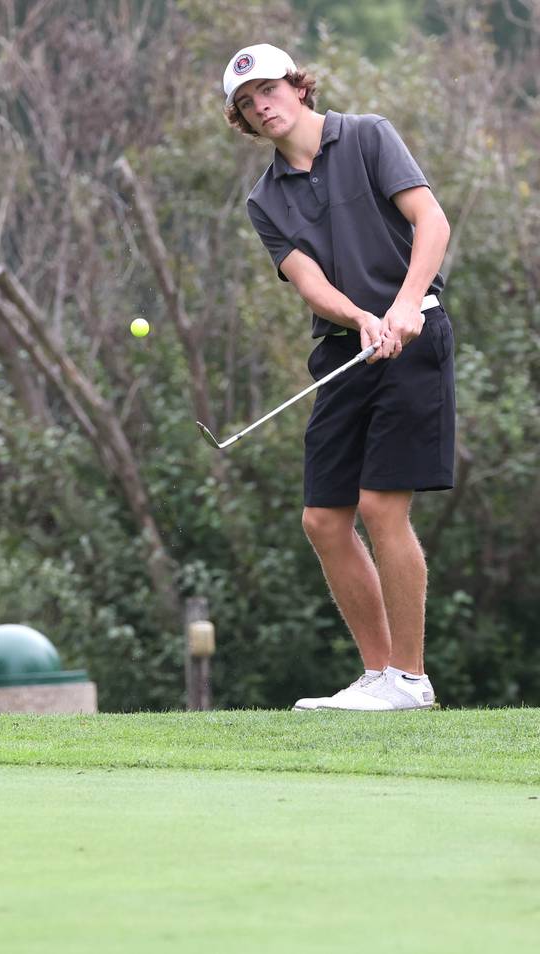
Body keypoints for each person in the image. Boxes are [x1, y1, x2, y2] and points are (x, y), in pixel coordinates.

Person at [222, 44, 455, 710]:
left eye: (267, 89)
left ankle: (410, 680)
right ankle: (380, 675)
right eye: (246, 102)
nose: (260, 105)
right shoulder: (265, 199)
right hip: (345, 350)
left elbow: (430, 222)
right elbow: (310, 282)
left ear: (297, 87)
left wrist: (405, 305)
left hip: (416, 336)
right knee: (324, 519)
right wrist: (361, 318)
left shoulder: (368, 136)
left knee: (383, 507)